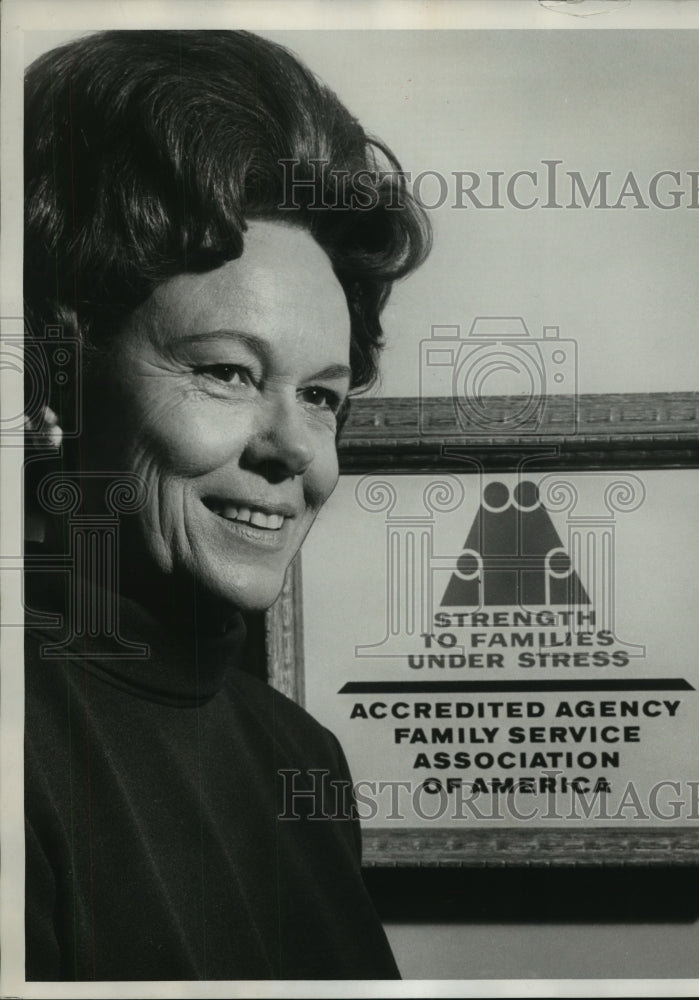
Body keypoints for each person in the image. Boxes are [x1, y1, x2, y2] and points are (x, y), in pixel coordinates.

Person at [23, 29, 430, 981]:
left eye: (323, 394)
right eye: (227, 372)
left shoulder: (298, 756)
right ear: (55, 387)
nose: (294, 449)